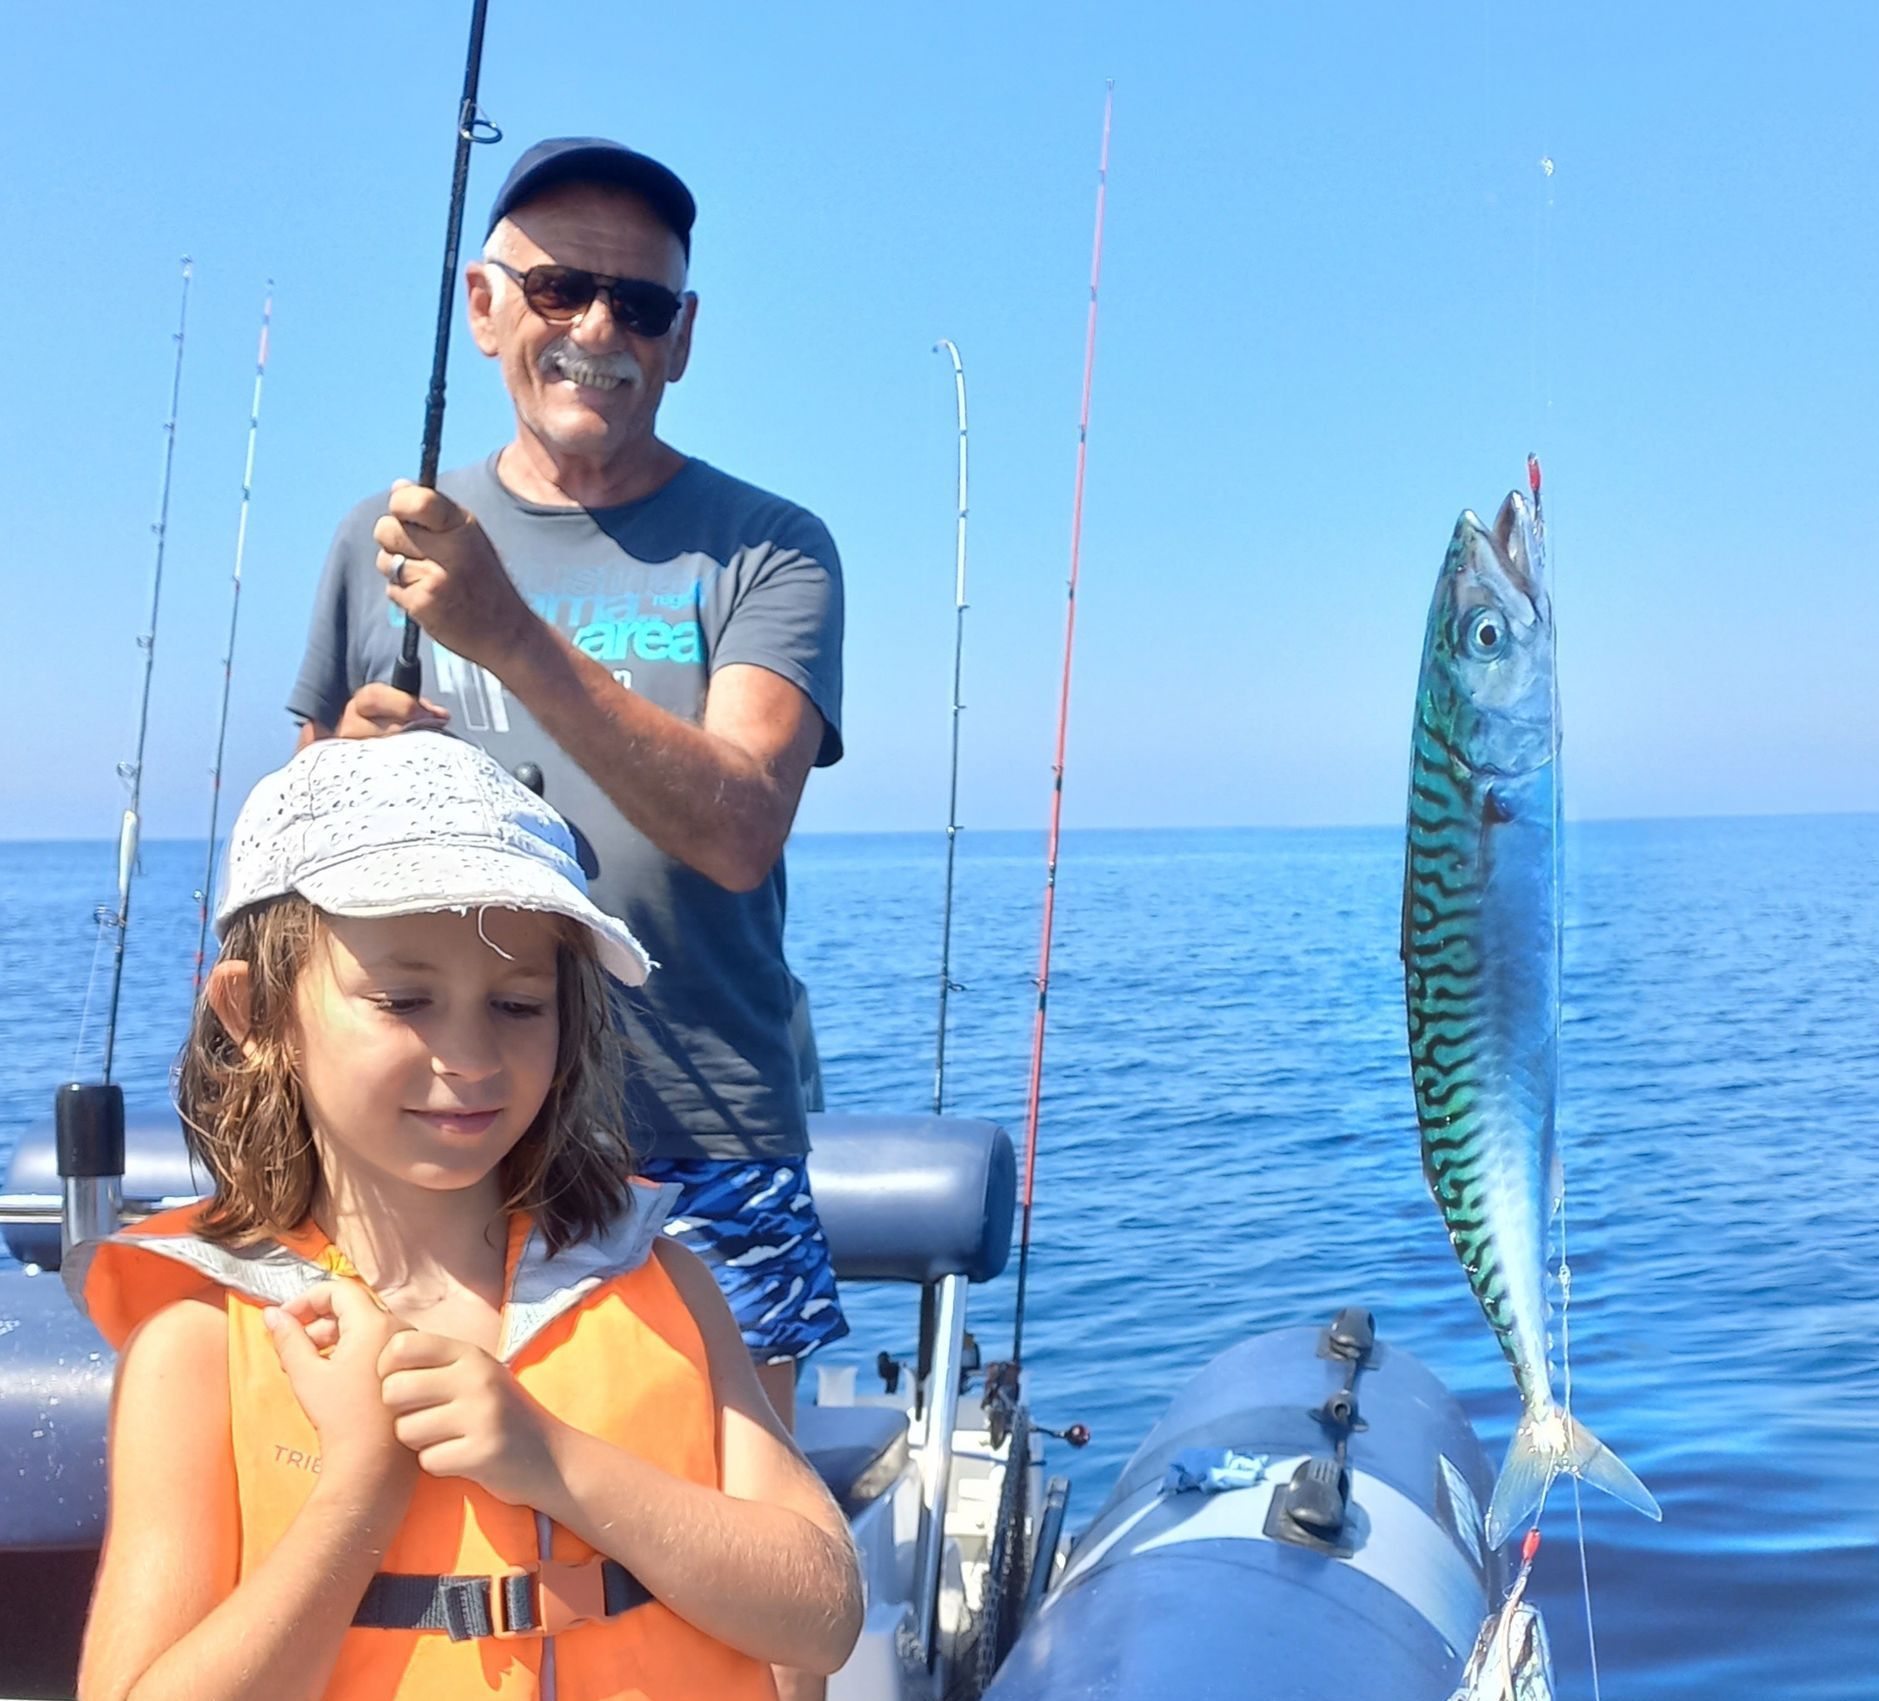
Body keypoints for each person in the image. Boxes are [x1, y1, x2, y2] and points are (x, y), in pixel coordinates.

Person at [70, 732, 862, 1701]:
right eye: (405, 999)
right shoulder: (198, 1348)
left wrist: (553, 1460)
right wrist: (361, 1484)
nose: (471, 1057)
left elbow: (824, 1614)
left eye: (518, 1005)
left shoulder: (668, 1288)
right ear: (255, 1012)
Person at [288, 138, 848, 1441]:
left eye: (638, 304)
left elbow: (737, 828)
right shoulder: (382, 538)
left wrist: (509, 636)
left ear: (681, 338)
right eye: (559, 290)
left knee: (734, 1514)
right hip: (437, 1118)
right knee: (421, 1498)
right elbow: (292, 868)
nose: (598, 328)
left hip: (699, 1126)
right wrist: (338, 772)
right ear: (485, 307)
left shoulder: (769, 548)